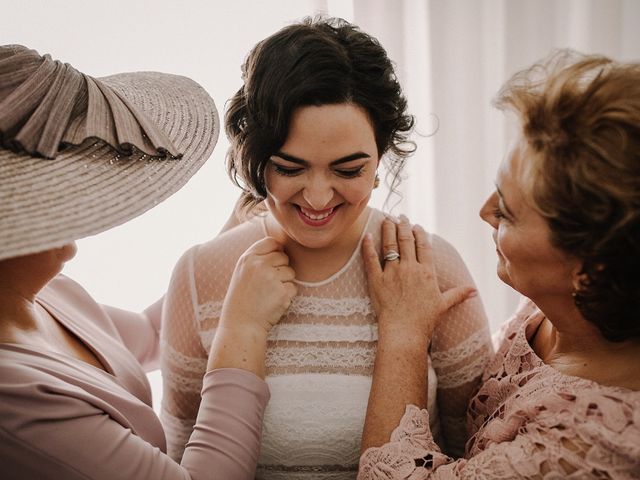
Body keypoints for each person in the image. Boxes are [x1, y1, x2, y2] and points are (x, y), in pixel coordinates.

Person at [161, 17, 492, 478]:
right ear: (255, 159)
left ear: (379, 162)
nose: (317, 198)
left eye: (348, 170)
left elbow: (477, 457)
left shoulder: (431, 267)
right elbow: (181, 460)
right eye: (290, 168)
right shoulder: (200, 274)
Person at [0, 44, 296, 479]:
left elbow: (154, 334)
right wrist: (242, 330)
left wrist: (235, 229)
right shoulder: (13, 397)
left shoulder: (46, 293)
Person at [357, 50, 640, 478]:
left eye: (506, 211)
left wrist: (403, 334)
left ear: (591, 269)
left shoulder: (594, 440)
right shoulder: (557, 310)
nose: (484, 212)